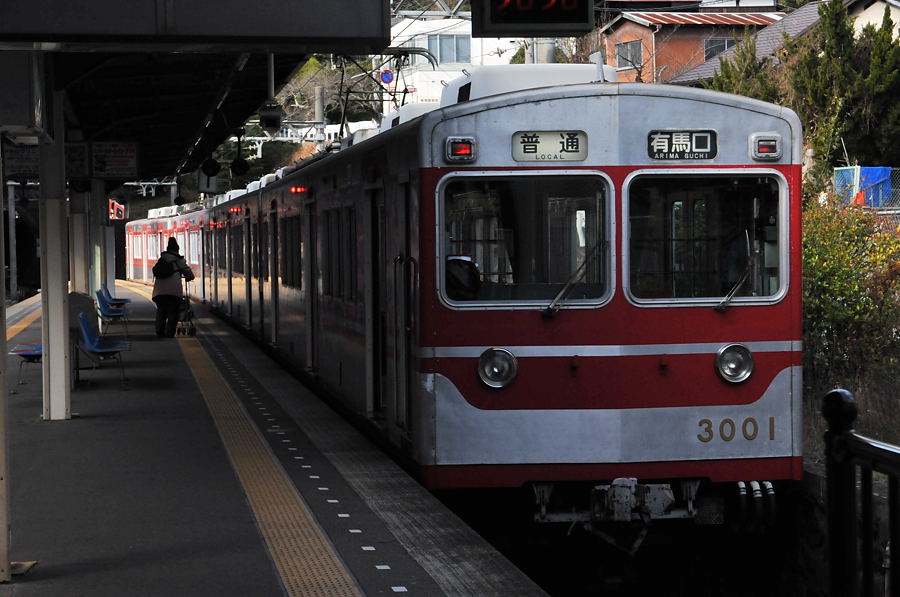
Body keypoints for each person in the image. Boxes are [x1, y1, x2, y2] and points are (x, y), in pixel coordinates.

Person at [152, 237, 195, 337]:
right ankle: (170, 333)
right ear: (177, 249)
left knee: (161, 311)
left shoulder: (161, 259)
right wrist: (189, 277)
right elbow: (188, 273)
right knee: (173, 312)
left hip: (159, 292)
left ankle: (159, 331)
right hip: (173, 292)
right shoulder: (179, 260)